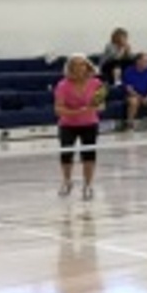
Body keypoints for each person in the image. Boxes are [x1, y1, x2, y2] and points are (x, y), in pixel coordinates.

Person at [54, 53, 105, 200]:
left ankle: (88, 184)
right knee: (66, 154)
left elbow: (101, 104)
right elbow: (58, 108)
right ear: (69, 68)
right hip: (68, 124)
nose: (79, 68)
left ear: (87, 66)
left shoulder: (97, 83)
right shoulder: (62, 85)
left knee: (89, 155)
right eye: (75, 65)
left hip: (90, 123)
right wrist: (75, 112)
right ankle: (67, 181)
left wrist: (95, 107)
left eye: (82, 64)